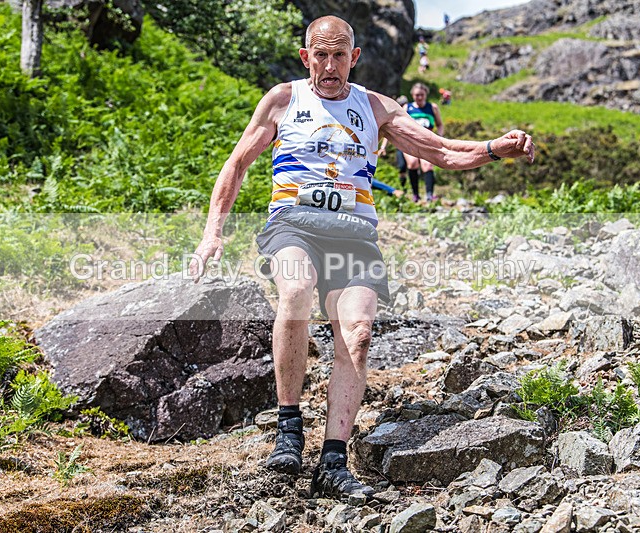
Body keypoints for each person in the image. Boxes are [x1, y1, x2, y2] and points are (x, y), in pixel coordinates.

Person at [189, 15, 534, 499]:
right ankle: (289, 429)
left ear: (354, 58)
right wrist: (213, 232)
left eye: (339, 56)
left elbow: (442, 152)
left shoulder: (376, 107)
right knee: (296, 290)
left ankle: (333, 460)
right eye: (321, 55)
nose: (330, 66)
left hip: (354, 236)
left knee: (358, 334)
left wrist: (495, 148)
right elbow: (237, 162)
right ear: (306, 57)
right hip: (294, 225)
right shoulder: (284, 99)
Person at [405, 82, 444, 203]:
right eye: (417, 95)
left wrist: (439, 137)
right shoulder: (407, 108)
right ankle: (415, 194)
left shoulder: (432, 107)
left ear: (426, 94)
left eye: (422, 94)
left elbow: (440, 124)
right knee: (412, 163)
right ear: (412, 95)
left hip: (427, 142)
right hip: (410, 142)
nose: (420, 97)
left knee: (427, 165)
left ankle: (429, 195)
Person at [378, 96, 410, 196]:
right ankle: (403, 189)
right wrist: (383, 148)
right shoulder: (395, 118)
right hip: (401, 146)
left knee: (412, 167)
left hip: (410, 146)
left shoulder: (411, 115)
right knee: (402, 168)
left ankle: (414, 192)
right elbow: (388, 134)